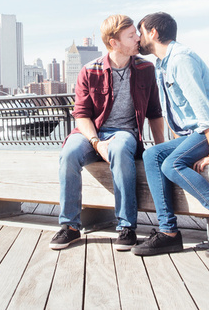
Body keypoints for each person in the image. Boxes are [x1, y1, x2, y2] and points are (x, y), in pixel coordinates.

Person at [131, 12, 209, 259]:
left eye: (140, 32)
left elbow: (203, 109)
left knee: (172, 164)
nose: (138, 38)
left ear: (153, 33)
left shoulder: (181, 60)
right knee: (153, 154)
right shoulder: (161, 64)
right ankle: (169, 233)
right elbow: (177, 114)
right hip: (199, 132)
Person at [50, 14, 165, 251]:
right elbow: (81, 115)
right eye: (131, 35)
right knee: (69, 153)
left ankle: (126, 227)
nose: (138, 39)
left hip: (124, 133)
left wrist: (162, 146)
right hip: (93, 131)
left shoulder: (145, 68)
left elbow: (154, 112)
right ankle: (69, 227)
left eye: (137, 33)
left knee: (121, 148)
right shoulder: (88, 71)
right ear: (114, 42)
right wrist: (95, 142)